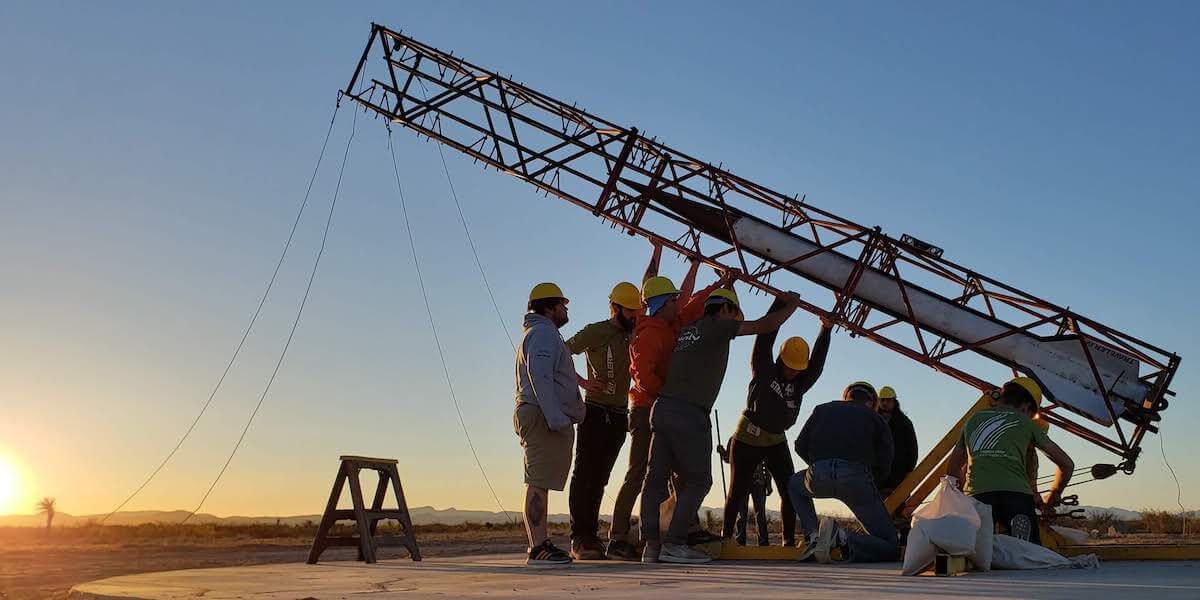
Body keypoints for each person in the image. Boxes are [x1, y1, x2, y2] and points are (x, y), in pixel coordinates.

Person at [640, 288, 802, 565]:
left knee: (655, 478)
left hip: (663, 409)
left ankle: (651, 546)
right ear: (725, 310)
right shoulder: (719, 325)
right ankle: (675, 543)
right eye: (734, 313)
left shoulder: (691, 329)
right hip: (689, 413)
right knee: (699, 480)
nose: (736, 319)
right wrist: (791, 306)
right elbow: (765, 326)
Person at [606, 242, 729, 561]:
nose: (680, 302)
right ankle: (618, 536)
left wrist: (719, 283)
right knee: (641, 474)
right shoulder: (648, 334)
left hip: (667, 409)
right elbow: (642, 375)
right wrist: (671, 396)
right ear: (663, 304)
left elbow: (692, 301)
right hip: (649, 407)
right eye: (674, 299)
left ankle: (682, 530)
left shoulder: (672, 323)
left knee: (679, 474)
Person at [722, 300, 832, 547]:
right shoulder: (763, 369)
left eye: (797, 368)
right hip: (748, 436)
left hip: (775, 440)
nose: (793, 372)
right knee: (738, 490)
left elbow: (817, 365)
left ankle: (788, 540)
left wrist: (825, 330)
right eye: (790, 367)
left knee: (789, 489)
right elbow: (765, 338)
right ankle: (726, 539)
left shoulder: (800, 383)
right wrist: (779, 304)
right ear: (781, 360)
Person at [563, 281, 642, 560]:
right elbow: (561, 352)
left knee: (600, 479)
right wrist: (583, 381)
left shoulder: (633, 334)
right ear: (616, 308)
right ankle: (579, 538)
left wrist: (656, 251)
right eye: (631, 310)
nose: (635, 315)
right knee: (584, 474)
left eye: (637, 310)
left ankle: (592, 537)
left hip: (621, 415)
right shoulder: (596, 331)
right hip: (594, 411)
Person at [946, 377, 1074, 545]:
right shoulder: (1027, 423)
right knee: (1029, 554)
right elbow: (1067, 464)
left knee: (978, 551)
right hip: (1017, 496)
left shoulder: (972, 421)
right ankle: (1023, 545)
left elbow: (953, 468)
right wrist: (1054, 494)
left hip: (978, 495)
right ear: (1027, 406)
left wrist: (963, 496)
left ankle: (981, 545)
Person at [513, 282, 587, 568]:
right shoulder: (543, 333)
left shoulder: (544, 334)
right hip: (542, 415)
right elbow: (540, 375)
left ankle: (539, 544)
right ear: (549, 307)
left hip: (543, 413)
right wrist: (555, 416)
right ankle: (538, 548)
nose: (566, 309)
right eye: (562, 304)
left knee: (541, 480)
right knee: (538, 481)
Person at [791, 382, 898, 564]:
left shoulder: (821, 410)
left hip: (818, 475)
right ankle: (841, 537)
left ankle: (814, 536)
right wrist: (873, 483)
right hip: (856, 480)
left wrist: (820, 466)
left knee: (794, 484)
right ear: (871, 402)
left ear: (846, 396)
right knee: (890, 545)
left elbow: (800, 445)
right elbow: (886, 460)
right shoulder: (876, 419)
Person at [718, 439, 772, 546]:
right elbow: (730, 458)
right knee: (742, 513)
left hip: (759, 482)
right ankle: (740, 541)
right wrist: (722, 452)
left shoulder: (761, 438)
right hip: (742, 481)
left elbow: (767, 462)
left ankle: (763, 542)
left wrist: (768, 482)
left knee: (760, 514)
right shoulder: (735, 439)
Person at [875, 386, 918, 497]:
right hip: (876, 473)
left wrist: (909, 470)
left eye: (888, 400)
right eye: (882, 400)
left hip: (898, 473)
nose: (885, 403)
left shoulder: (904, 422)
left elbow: (912, 448)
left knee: (899, 507)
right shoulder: (872, 420)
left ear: (894, 401)